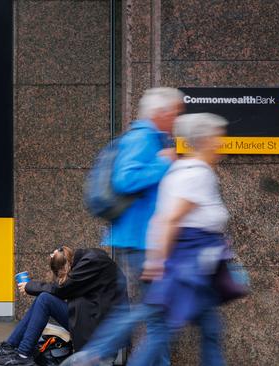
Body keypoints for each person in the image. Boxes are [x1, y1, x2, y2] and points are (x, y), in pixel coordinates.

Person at [65, 113, 231, 366]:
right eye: (219, 137)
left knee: (196, 326)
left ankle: (94, 353)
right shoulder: (197, 174)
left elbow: (163, 218)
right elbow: (167, 219)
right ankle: (94, 353)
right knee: (162, 322)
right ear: (206, 140)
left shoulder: (178, 169)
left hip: (189, 263)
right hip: (190, 264)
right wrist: (157, 260)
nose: (222, 143)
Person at [84, 87, 184, 364]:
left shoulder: (154, 138)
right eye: (175, 112)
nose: (177, 117)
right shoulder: (142, 138)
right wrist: (162, 165)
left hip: (146, 238)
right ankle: (93, 353)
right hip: (142, 239)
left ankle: (95, 353)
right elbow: (124, 180)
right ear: (160, 112)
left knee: (156, 316)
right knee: (152, 311)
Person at [0, 246, 128, 366]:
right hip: (94, 322)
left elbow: (62, 290)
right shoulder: (87, 261)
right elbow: (66, 290)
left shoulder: (90, 263)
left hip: (100, 336)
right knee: (44, 299)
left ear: (66, 266)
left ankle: (22, 354)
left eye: (62, 276)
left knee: (45, 299)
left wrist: (29, 286)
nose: (62, 280)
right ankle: (10, 347)